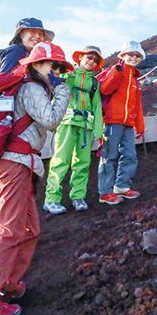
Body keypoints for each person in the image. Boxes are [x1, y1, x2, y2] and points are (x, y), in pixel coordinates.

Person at [0, 42, 71, 315]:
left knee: (29, 229)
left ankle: (8, 285)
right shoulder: (31, 87)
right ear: (35, 65)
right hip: (14, 164)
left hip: (16, 163)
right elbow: (50, 120)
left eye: (60, 67)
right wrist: (62, 91)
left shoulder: (26, 88)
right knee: (11, 230)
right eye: (53, 65)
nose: (57, 71)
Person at [0, 18, 55, 265]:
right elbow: (3, 86)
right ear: (20, 34)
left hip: (9, 129)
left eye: (41, 33)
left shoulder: (26, 57)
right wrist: (4, 124)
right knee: (2, 190)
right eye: (32, 32)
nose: (37, 36)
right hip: (8, 132)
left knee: (1, 190)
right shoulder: (16, 52)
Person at [43, 46, 105, 214]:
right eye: (89, 57)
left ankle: (78, 197)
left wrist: (99, 133)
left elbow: (97, 107)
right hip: (66, 124)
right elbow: (53, 86)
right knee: (60, 161)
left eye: (95, 59)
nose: (91, 61)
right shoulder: (66, 76)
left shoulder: (94, 83)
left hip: (85, 127)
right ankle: (52, 199)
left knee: (83, 163)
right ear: (80, 57)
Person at [97, 41, 145, 205]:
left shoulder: (135, 78)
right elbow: (105, 89)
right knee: (109, 156)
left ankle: (122, 186)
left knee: (130, 155)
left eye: (137, 55)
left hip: (128, 123)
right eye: (130, 53)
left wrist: (140, 126)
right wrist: (117, 73)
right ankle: (105, 192)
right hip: (112, 121)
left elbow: (137, 105)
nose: (133, 57)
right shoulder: (116, 70)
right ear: (122, 55)